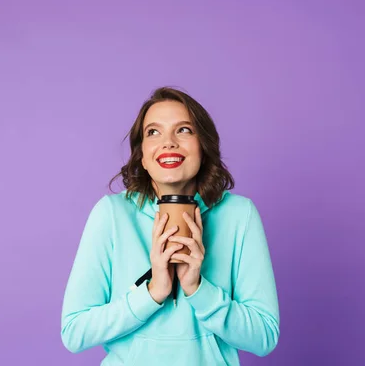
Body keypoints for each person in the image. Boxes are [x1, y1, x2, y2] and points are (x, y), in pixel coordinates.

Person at [61, 87, 280, 365]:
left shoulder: (240, 215)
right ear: (142, 155)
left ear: (203, 146)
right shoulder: (112, 214)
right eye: (153, 132)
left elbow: (264, 337)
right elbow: (74, 332)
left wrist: (198, 288)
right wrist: (153, 293)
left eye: (184, 130)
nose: (168, 143)